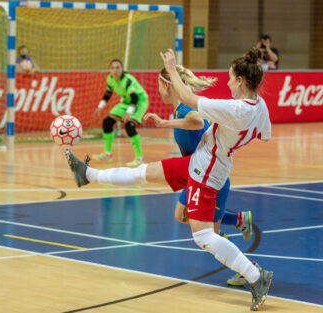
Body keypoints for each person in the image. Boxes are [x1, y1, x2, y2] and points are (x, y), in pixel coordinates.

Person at [66, 47, 272, 310]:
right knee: (144, 172)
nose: (229, 82)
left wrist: (172, 68)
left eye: (231, 78)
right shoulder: (259, 106)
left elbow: (190, 100)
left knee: (204, 237)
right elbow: (264, 134)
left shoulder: (236, 108)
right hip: (203, 161)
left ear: (242, 81)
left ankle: (256, 277)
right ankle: (88, 174)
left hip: (206, 171)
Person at [145, 65, 254, 286]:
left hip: (210, 180)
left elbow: (197, 121)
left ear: (167, 85)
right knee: (180, 215)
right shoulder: (179, 110)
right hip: (195, 176)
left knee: (210, 237)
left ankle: (249, 268)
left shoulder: (185, 109)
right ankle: (238, 219)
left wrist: (164, 123)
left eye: (158, 85)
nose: (157, 90)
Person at [93, 59, 149, 166]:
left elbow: (135, 98)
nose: (115, 70)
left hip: (139, 101)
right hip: (127, 101)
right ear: (109, 70)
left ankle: (139, 159)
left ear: (122, 69)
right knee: (108, 122)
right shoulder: (110, 79)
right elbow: (108, 94)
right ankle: (107, 154)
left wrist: (128, 113)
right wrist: (100, 107)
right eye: (112, 68)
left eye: (118, 67)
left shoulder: (127, 80)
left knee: (129, 125)